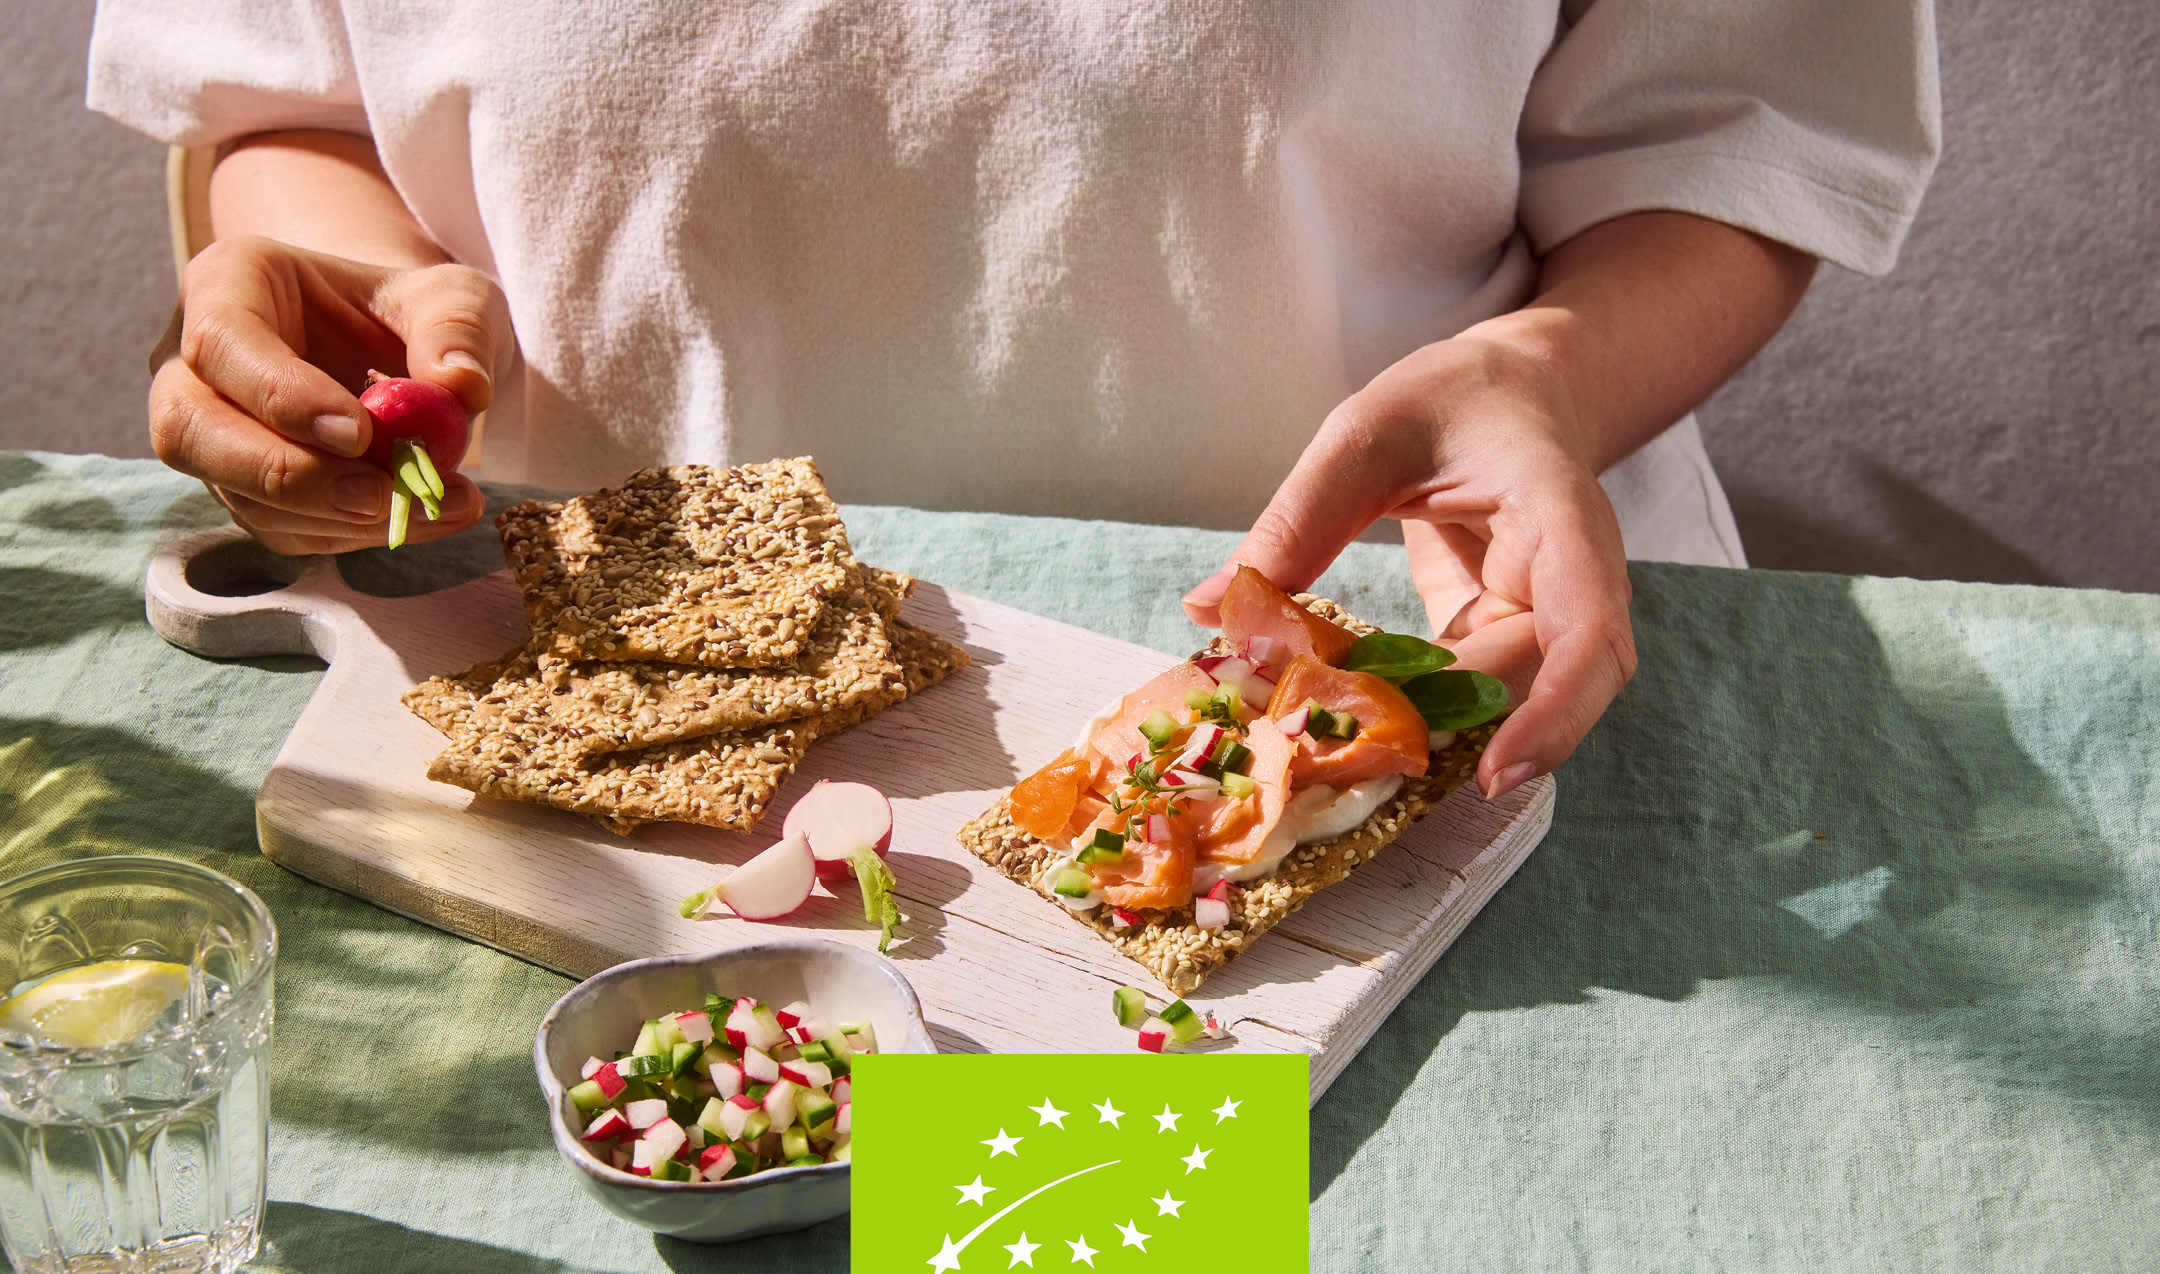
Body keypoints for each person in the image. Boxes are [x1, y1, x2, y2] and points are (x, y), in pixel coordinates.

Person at [88, 1, 1939, 801]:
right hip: (621, 737)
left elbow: (1732, 131)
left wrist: (1547, 370)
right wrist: (331, 293)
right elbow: (285, 101)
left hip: (1396, 674)